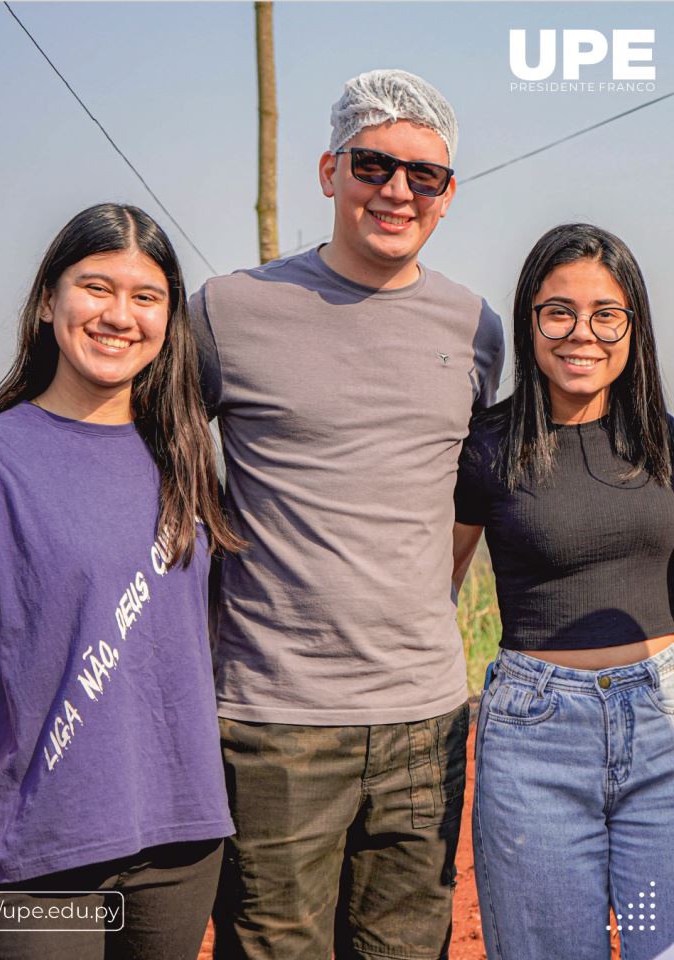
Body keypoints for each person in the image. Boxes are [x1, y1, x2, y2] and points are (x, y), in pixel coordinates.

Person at [190, 69, 504, 960]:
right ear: (330, 172)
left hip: (426, 721)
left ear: (446, 197)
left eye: (424, 176)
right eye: (374, 165)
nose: (396, 190)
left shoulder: (476, 327)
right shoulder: (228, 311)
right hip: (272, 724)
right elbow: (153, 454)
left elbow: (466, 491)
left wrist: (420, 595)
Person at [0, 203, 243, 960]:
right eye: (97, 287)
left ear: (169, 318)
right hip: (35, 853)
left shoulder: (187, 456)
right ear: (49, 300)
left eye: (145, 296)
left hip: (181, 840)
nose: (118, 315)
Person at [453, 223, 674, 960]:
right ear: (530, 319)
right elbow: (437, 589)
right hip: (536, 749)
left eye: (606, 314)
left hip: (666, 739)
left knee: (660, 948)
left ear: (633, 326)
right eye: (560, 312)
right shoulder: (486, 449)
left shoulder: (668, 444)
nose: (583, 333)